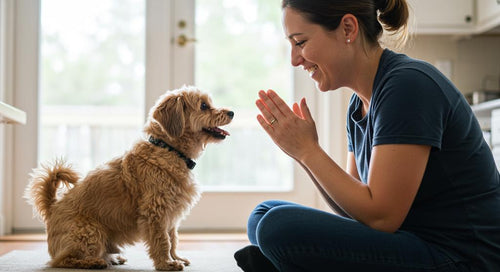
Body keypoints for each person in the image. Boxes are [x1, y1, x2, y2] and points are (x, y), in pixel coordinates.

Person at [233, 0, 500, 271]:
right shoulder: (359, 104)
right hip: (413, 241)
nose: (294, 60)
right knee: (263, 215)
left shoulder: (408, 86)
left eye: (300, 42)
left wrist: (308, 151)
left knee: (276, 228)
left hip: (461, 257)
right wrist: (301, 153)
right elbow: (355, 210)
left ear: (348, 28)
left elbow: (382, 217)